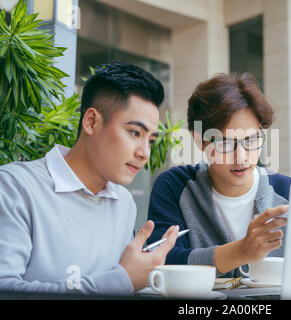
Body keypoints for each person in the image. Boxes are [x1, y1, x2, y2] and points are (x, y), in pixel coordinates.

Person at [0, 61, 179, 296]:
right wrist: (122, 280)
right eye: (135, 133)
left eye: (151, 140)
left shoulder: (123, 202)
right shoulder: (14, 187)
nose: (144, 152)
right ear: (91, 122)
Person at [147, 73, 291, 278]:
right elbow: (162, 260)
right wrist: (241, 251)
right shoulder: (175, 187)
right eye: (225, 143)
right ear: (200, 141)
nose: (241, 157)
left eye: (251, 140)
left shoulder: (287, 192)